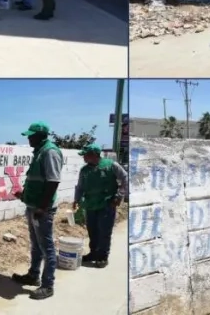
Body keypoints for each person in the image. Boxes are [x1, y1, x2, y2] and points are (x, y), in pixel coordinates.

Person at [11, 121, 64, 300]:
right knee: (36, 245)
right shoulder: (40, 152)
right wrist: (23, 195)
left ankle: (48, 285)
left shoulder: (49, 152)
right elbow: (37, 181)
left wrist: (42, 207)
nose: (29, 139)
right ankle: (33, 275)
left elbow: (53, 181)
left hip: (43, 209)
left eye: (31, 136)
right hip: (34, 207)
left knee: (47, 247)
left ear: (40, 136)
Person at [72, 143, 127, 268]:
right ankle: (94, 253)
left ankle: (103, 256)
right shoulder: (84, 170)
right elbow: (80, 186)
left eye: (85, 155)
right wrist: (76, 199)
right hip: (91, 204)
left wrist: (119, 195)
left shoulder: (111, 165)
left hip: (106, 203)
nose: (83, 158)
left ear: (93, 155)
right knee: (92, 230)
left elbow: (125, 178)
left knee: (104, 231)